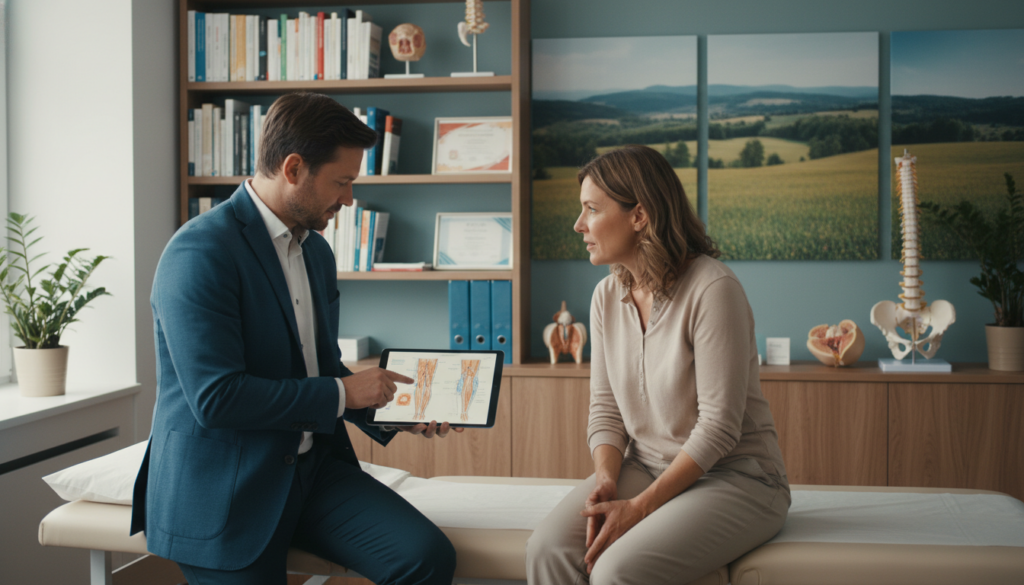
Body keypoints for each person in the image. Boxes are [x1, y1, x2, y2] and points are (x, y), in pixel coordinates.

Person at [131, 92, 461, 585]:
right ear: (293, 168)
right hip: (225, 489)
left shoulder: (316, 254)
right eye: (342, 182)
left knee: (425, 558)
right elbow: (216, 399)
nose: (349, 199)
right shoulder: (199, 252)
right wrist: (345, 392)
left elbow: (323, 370)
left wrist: (394, 409)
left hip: (309, 472)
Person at [526, 145, 790, 585]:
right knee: (547, 550)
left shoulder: (712, 288)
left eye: (592, 209)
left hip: (737, 479)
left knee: (616, 570)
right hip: (644, 467)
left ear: (639, 215)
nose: (579, 225)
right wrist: (608, 481)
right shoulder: (605, 297)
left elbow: (719, 428)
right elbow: (606, 409)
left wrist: (639, 508)